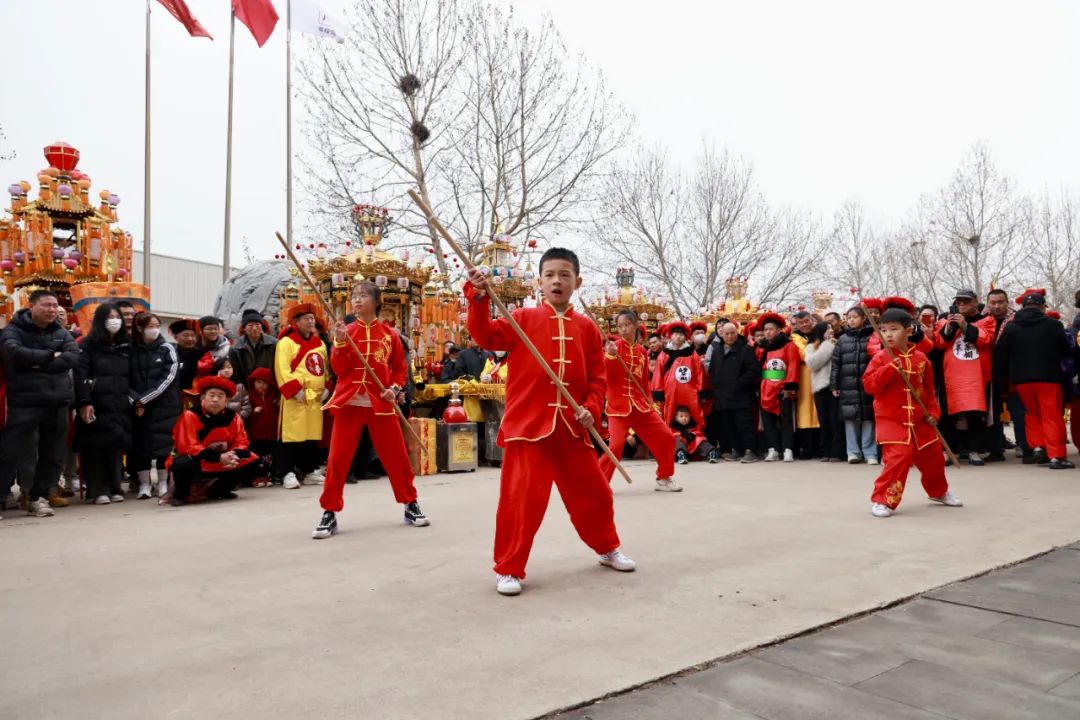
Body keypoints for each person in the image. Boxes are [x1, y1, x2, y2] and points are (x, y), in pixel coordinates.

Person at [465, 248, 635, 597]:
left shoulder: (587, 328)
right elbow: (485, 336)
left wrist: (590, 407)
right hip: (529, 426)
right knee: (521, 500)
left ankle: (607, 548)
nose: (557, 281)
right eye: (550, 275)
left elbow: (598, 379)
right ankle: (508, 568)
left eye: (565, 275)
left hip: (572, 426)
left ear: (578, 281)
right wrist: (478, 297)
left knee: (596, 494)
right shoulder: (522, 319)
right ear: (540, 281)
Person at [312, 281, 429, 539]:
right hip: (349, 402)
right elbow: (339, 369)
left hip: (380, 402)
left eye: (363, 295)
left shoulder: (390, 335)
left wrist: (394, 388)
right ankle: (329, 511)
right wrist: (340, 344)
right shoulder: (345, 332)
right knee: (337, 459)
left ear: (376, 302)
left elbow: (400, 368)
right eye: (354, 296)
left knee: (396, 456)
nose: (357, 300)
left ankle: (411, 504)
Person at [862, 308, 962, 517]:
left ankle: (938, 492)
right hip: (892, 419)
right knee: (900, 457)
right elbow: (870, 386)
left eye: (894, 329)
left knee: (933, 457)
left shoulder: (922, 360)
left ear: (908, 331)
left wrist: (933, 414)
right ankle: (882, 500)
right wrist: (889, 369)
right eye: (883, 330)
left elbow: (928, 392)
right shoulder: (880, 358)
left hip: (919, 419)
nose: (888, 334)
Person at [0, 289, 79, 517]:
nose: (52, 310)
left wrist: (36, 363)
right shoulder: (12, 331)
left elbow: (72, 357)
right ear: (31, 306)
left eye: (55, 306)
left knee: (52, 454)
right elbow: (13, 354)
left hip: (57, 402)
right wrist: (50, 356)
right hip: (24, 402)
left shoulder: (62, 333)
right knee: (9, 452)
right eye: (47, 305)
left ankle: (38, 498)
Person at [599, 309, 679, 491]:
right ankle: (599, 484)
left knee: (666, 437)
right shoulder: (613, 348)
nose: (623, 329)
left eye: (627, 325)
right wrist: (610, 356)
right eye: (619, 326)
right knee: (616, 446)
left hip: (641, 406)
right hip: (618, 407)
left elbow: (644, 382)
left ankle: (664, 477)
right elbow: (606, 376)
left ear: (635, 326)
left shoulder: (642, 351)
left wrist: (651, 403)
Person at [995, 290, 1074, 469]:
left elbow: (1000, 354)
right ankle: (1056, 456)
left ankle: (1038, 447)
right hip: (1049, 378)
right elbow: (1066, 350)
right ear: (1042, 306)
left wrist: (1003, 376)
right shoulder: (1054, 325)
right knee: (1051, 415)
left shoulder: (1011, 327)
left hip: (1021, 380)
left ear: (1023, 307)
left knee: (1032, 413)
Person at [168, 375, 265, 506]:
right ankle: (181, 495)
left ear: (227, 400)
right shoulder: (190, 415)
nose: (215, 400)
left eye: (220, 396)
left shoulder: (233, 417)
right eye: (211, 395)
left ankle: (219, 490)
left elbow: (241, 441)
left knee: (253, 461)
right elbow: (188, 446)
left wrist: (233, 455)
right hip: (200, 461)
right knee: (182, 462)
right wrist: (218, 457)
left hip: (224, 460)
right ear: (202, 397)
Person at [74, 303, 133, 505]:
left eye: (117, 316)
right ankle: (97, 489)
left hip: (120, 402)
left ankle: (116, 487)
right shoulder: (88, 344)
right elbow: (80, 374)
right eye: (110, 316)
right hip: (96, 402)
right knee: (96, 446)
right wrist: (84, 401)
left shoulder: (127, 344)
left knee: (116, 445)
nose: (115, 320)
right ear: (100, 320)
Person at [935, 289, 994, 465]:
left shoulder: (986, 320)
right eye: (958, 302)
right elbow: (939, 343)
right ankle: (948, 450)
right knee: (948, 414)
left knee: (975, 414)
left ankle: (974, 450)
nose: (961, 304)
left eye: (966, 301)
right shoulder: (945, 320)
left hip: (976, 376)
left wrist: (966, 326)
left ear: (976, 302)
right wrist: (951, 326)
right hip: (950, 376)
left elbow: (986, 340)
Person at [273, 304, 328, 489]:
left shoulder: (320, 344)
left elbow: (324, 368)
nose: (311, 321)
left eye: (312, 318)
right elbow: (282, 369)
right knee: (291, 436)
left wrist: (327, 386)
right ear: (296, 322)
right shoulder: (286, 343)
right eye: (306, 318)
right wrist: (295, 391)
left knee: (312, 436)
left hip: (315, 397)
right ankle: (287, 472)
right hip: (296, 396)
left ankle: (310, 470)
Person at [129, 311, 181, 499]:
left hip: (164, 406)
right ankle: (144, 485)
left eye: (156, 325)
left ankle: (162, 483)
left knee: (164, 447)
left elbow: (168, 378)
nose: (154, 329)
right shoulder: (130, 349)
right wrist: (135, 401)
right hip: (138, 407)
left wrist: (144, 400)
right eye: (150, 326)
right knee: (141, 447)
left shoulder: (167, 348)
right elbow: (124, 378)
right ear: (140, 328)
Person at [704, 321, 760, 463]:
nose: (729, 336)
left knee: (744, 423)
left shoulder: (745, 349)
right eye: (726, 333)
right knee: (728, 425)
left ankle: (750, 450)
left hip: (740, 394)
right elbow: (712, 370)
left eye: (732, 333)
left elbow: (753, 371)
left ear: (737, 333)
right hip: (722, 395)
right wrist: (716, 384)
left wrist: (739, 383)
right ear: (721, 334)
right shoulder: (717, 350)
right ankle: (736, 449)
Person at [831, 306, 877, 464]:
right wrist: (834, 385)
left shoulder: (873, 336)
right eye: (849, 317)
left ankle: (870, 453)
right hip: (847, 385)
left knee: (868, 419)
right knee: (849, 420)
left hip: (867, 384)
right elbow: (836, 364)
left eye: (855, 317)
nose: (851, 320)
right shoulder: (842, 339)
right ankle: (853, 452)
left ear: (864, 318)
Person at [758, 313, 800, 462]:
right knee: (768, 421)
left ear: (778, 330)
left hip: (783, 389)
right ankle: (773, 449)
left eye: (771, 329)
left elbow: (793, 366)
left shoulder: (789, 345)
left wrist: (789, 387)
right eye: (765, 329)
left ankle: (788, 449)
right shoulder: (763, 348)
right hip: (766, 388)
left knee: (786, 419)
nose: (768, 332)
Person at [652, 321, 708, 431]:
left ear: (685, 337)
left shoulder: (692, 353)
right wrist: (658, 393)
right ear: (670, 336)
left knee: (694, 413)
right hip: (670, 393)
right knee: (670, 414)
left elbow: (699, 373)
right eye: (675, 334)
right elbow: (658, 374)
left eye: (681, 335)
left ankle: (697, 437)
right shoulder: (664, 354)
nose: (678, 337)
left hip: (690, 392)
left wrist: (702, 391)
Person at [804, 321, 844, 462]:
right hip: (820, 387)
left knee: (835, 420)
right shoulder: (811, 347)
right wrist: (827, 345)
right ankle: (825, 450)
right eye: (827, 328)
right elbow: (813, 363)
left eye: (832, 328)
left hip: (834, 386)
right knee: (824, 421)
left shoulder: (837, 343)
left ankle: (837, 451)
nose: (831, 330)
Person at [789, 311, 820, 458]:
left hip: (820, 376)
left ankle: (822, 447)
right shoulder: (794, 338)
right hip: (804, 378)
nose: (804, 324)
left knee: (820, 411)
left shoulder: (820, 333)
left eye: (807, 321)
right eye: (801, 323)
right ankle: (807, 448)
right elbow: (805, 354)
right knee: (805, 411)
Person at [244, 366, 279, 487]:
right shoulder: (250, 396)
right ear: (253, 382)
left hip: (271, 434)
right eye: (258, 382)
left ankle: (267, 476)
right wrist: (253, 412)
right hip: (256, 434)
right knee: (257, 457)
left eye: (265, 382)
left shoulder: (273, 396)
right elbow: (246, 415)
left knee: (269, 458)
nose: (262, 385)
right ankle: (256, 477)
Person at [229, 309, 277, 387]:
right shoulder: (235, 348)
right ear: (244, 328)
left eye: (257, 324)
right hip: (247, 387)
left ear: (262, 326)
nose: (254, 328)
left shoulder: (274, 343)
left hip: (270, 386)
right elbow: (236, 373)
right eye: (250, 325)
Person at [194, 316, 231, 381]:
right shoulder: (192, 347)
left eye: (216, 329)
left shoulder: (226, 349)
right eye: (209, 329)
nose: (213, 331)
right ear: (200, 330)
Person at [170, 318, 202, 392]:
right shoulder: (169, 353)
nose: (190, 339)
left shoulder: (202, 354)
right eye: (186, 335)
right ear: (176, 337)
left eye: (193, 335)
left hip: (194, 395)